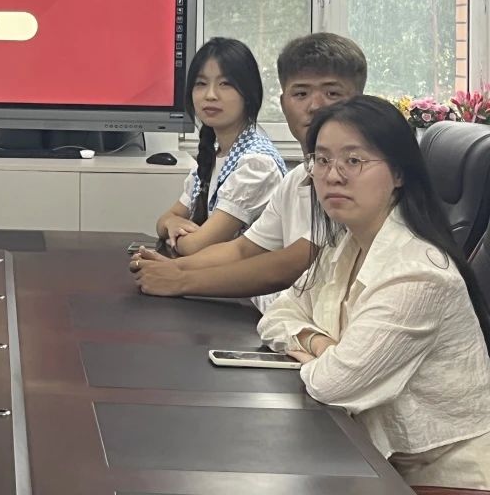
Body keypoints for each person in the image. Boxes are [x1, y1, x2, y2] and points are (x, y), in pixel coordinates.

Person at [259, 96, 490, 489]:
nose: (333, 175)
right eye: (322, 160)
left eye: (353, 160)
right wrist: (321, 343)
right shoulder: (345, 243)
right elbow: (277, 314)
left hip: (447, 477)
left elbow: (332, 385)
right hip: (374, 458)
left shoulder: (418, 275)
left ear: (398, 173)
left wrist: (321, 354)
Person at [133, 34, 366, 309]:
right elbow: (243, 248)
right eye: (301, 94)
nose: (315, 106)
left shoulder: (363, 174)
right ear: (283, 104)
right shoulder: (296, 179)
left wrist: (180, 279)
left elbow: (289, 264)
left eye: (332, 93)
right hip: (285, 317)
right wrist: (170, 268)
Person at [151, 37, 286, 257]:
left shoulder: (257, 164)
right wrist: (172, 224)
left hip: (242, 279)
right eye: (201, 84)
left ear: (248, 94)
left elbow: (195, 246)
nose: (210, 95)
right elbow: (163, 221)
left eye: (225, 84)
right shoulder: (213, 156)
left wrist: (172, 236)